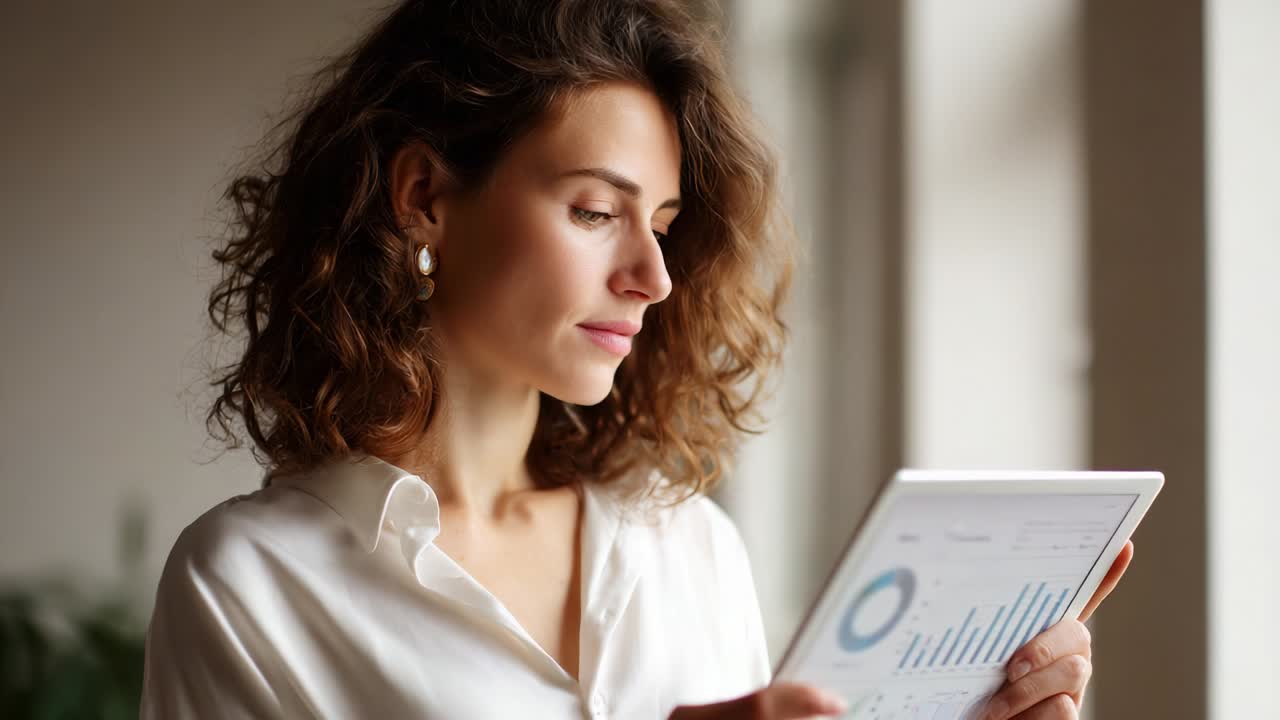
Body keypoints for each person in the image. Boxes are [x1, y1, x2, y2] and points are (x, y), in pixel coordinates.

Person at [140, 0, 1134, 718]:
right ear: (423, 198)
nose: (651, 276)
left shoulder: (685, 549)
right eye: (594, 212)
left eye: (660, 223)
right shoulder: (250, 585)